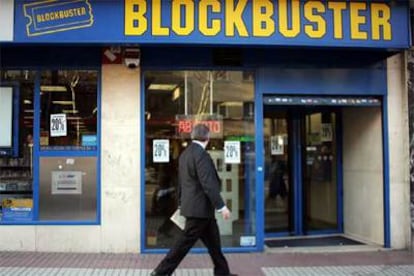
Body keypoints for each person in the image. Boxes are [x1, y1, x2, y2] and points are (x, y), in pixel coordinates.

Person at [151, 124, 237, 276]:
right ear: (207, 137)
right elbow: (208, 184)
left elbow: (181, 183)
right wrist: (222, 206)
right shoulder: (201, 155)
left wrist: (180, 202)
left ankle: (223, 272)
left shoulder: (185, 154)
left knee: (214, 245)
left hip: (200, 210)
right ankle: (160, 272)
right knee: (182, 245)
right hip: (199, 211)